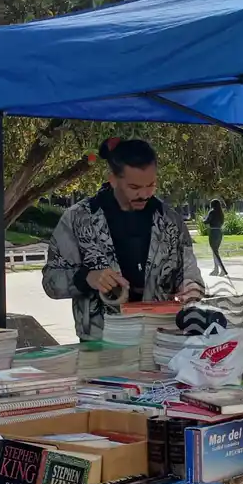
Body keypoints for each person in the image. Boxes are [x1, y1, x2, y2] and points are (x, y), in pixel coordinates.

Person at [43, 138, 204, 341]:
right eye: (135, 187)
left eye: (151, 185)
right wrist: (87, 277)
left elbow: (190, 273)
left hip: (162, 337)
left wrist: (191, 287)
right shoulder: (78, 219)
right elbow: (51, 281)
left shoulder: (170, 219)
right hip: (101, 340)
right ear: (113, 179)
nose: (145, 194)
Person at [204, 199, 229, 277]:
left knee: (215, 252)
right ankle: (216, 269)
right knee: (215, 251)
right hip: (219, 232)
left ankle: (222, 270)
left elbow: (207, 221)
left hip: (213, 232)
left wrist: (203, 219)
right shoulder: (221, 213)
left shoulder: (212, 212)